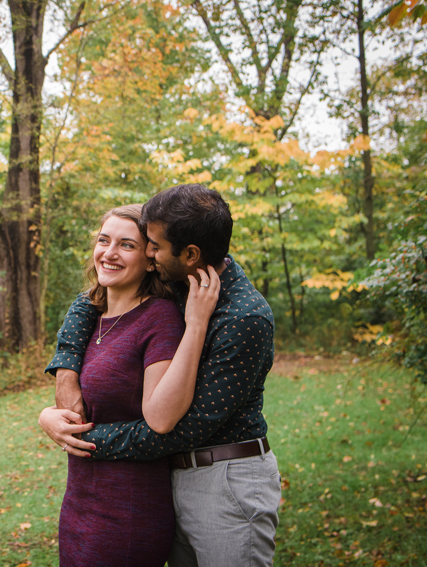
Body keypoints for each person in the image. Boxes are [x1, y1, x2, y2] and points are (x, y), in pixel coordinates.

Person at [39, 184, 281, 567]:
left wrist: (84, 437)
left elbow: (181, 426)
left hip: (225, 478)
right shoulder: (182, 283)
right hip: (172, 478)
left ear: (190, 255)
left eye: (151, 245)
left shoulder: (243, 317)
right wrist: (65, 367)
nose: (150, 253)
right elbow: (96, 298)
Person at [51, 204, 220, 567]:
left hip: (126, 511)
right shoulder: (91, 318)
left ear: (149, 260)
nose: (109, 253)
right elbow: (79, 406)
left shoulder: (158, 318)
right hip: (79, 502)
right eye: (103, 240)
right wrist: (47, 416)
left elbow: (161, 415)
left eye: (126, 245)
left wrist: (196, 323)